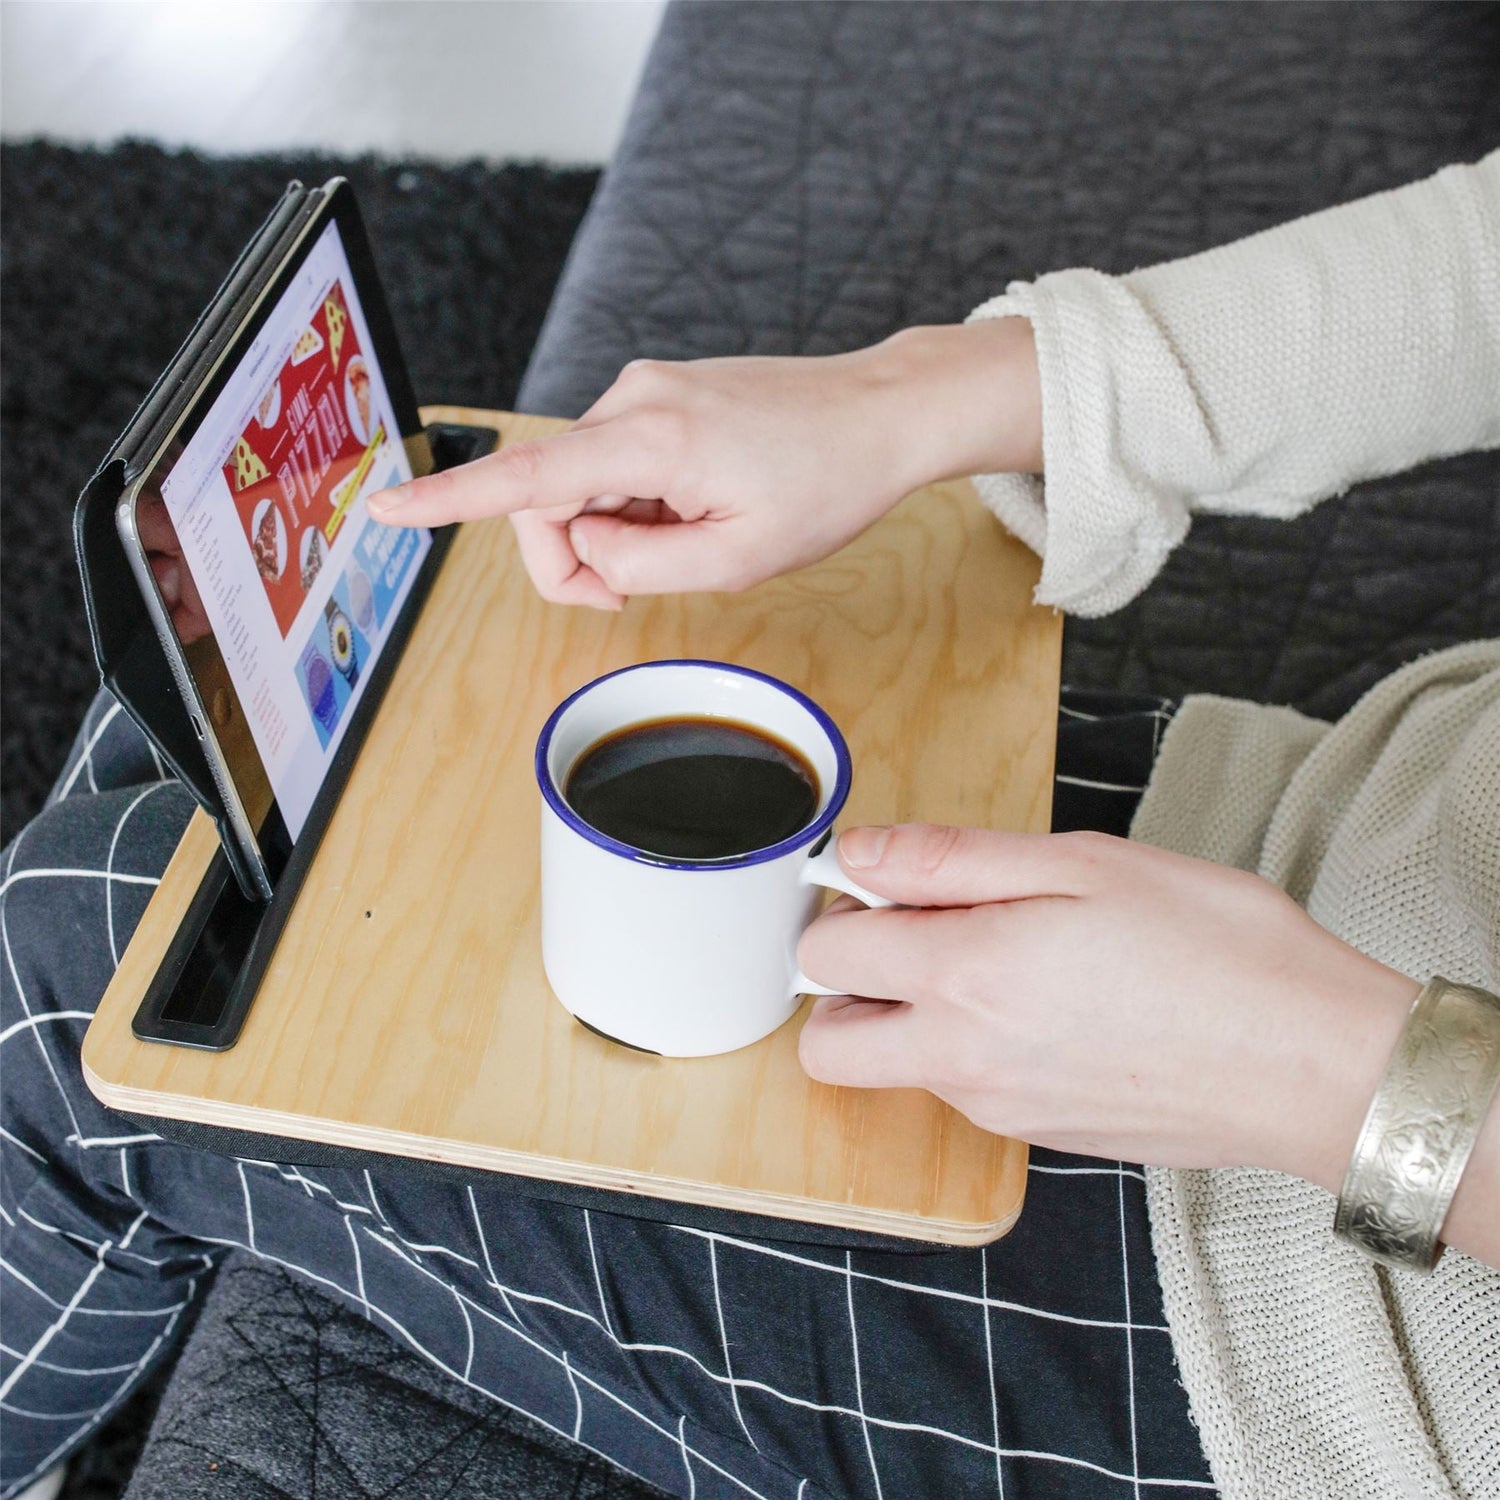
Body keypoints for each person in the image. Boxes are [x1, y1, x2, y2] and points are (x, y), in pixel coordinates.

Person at [3, 153, 1496, 1500]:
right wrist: (915, 398)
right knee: (196, 722)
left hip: (1324, 1317)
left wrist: (1336, 1074)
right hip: (1337, 822)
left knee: (57, 971)